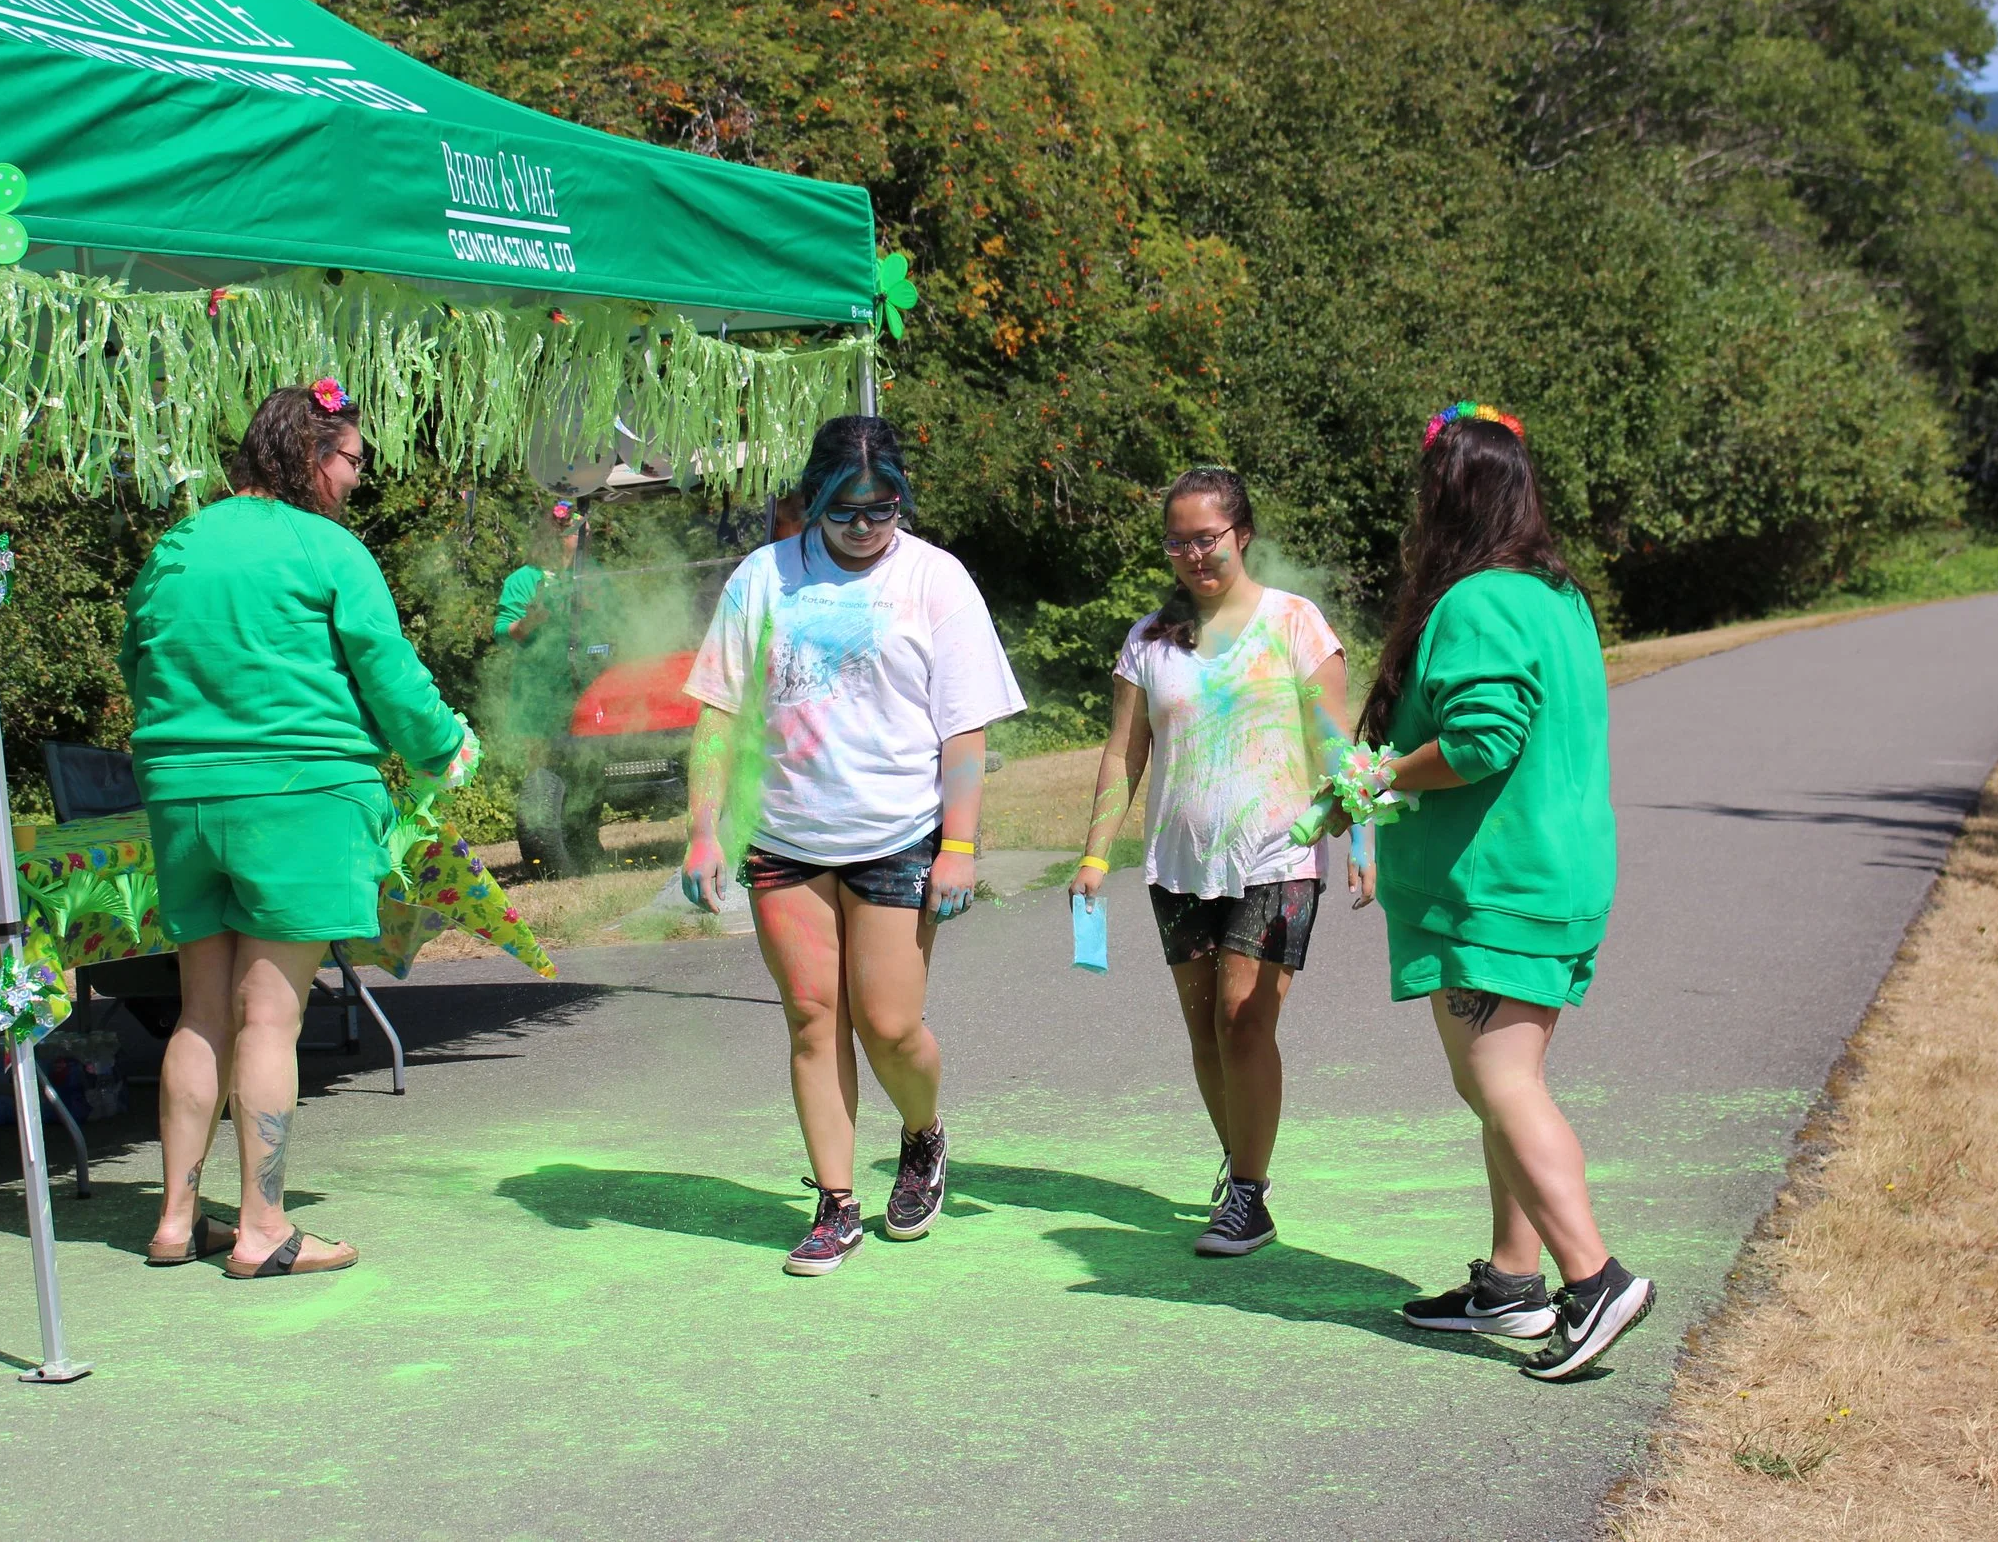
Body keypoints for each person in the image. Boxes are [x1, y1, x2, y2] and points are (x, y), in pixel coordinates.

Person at [122, 379, 476, 1279]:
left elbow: (138, 663)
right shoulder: (329, 550)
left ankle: (174, 1220)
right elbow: (389, 673)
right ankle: (263, 1227)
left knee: (201, 1011)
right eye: (354, 460)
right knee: (270, 1018)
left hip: (181, 801)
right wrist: (444, 746)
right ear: (314, 456)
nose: (357, 478)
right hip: (301, 796)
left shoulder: (175, 546)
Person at [1346, 401, 1652, 1381]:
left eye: (1424, 487)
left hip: (1496, 887)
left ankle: (1592, 1276)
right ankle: (1513, 1283)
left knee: (1501, 1083)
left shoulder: (1476, 600)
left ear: (1450, 496)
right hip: (1551, 873)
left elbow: (1482, 741)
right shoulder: (1555, 596)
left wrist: (1381, 775)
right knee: (1496, 1084)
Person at [679, 415, 1025, 1276]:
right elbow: (718, 713)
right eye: (847, 510)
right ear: (814, 500)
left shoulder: (935, 580)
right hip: (786, 840)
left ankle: (922, 1134)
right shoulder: (763, 578)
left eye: (884, 507)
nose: (866, 526)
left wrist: (962, 844)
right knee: (812, 1019)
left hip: (898, 836)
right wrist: (701, 831)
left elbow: (965, 731)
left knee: (889, 1022)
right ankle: (835, 1205)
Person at [1069, 468, 1356, 1257]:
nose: (1193, 554)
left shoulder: (1296, 624)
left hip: (1278, 855)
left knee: (1243, 1017)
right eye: (1177, 540)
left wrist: (1359, 834)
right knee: (1205, 1032)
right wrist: (1095, 854)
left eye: (1207, 538)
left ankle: (1251, 1197)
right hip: (1181, 862)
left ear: (1242, 536)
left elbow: (1337, 745)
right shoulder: (1148, 640)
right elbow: (1125, 752)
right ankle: (1241, 1167)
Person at [492, 497, 583, 648]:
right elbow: (501, 636)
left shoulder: (594, 575)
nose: (587, 539)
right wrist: (528, 623)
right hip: (540, 668)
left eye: (588, 532)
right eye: (580, 532)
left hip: (592, 668)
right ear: (558, 536)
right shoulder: (524, 578)